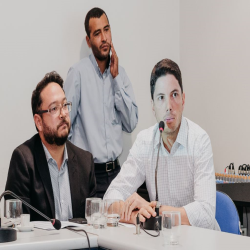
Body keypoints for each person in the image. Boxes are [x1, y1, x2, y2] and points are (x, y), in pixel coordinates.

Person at [104, 59, 220, 230]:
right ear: (152, 105)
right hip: (164, 242)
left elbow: (206, 213)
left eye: (174, 95)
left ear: (183, 99)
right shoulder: (145, 142)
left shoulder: (199, 140)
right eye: (161, 98)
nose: (169, 106)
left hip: (201, 242)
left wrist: (156, 211)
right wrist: (137, 214)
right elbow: (110, 198)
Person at [64, 7, 138, 198]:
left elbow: (130, 123)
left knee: (121, 227)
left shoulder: (121, 75)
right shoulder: (78, 73)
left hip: (116, 173)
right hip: (87, 175)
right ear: (89, 41)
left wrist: (116, 80)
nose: (104, 38)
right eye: (97, 33)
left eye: (107, 29)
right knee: (90, 227)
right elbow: (65, 126)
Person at [5, 71, 96, 221]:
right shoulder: (23, 161)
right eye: (54, 108)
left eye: (65, 105)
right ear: (38, 122)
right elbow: (17, 224)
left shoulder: (85, 161)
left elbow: (93, 222)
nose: (63, 114)